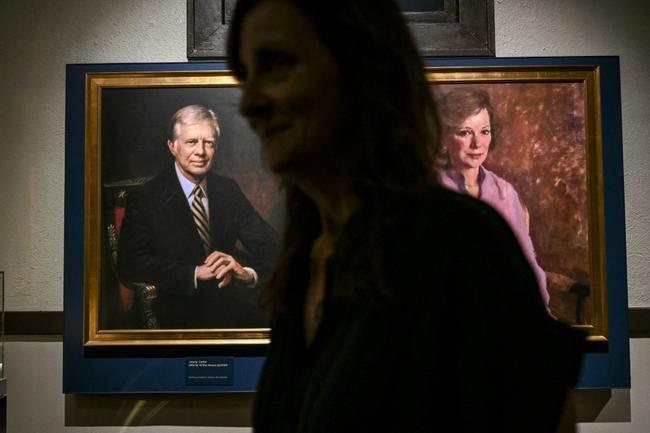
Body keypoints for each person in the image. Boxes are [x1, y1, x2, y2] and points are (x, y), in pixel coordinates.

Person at [228, 0, 585, 432]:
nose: (249, 103)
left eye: (278, 64)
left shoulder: (458, 240)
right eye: (246, 76)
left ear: (363, 68)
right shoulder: (306, 259)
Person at [117, 104, 280, 329]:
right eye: (191, 142)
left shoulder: (227, 190)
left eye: (209, 143)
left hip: (227, 302)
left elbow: (274, 248)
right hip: (172, 307)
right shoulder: (147, 197)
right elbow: (129, 263)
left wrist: (246, 273)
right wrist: (193, 273)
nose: (201, 152)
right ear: (172, 146)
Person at [437, 88, 550, 305]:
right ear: (444, 138)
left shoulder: (505, 192)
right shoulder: (429, 193)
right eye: (465, 132)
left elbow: (527, 264)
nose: (477, 144)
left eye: (484, 132)